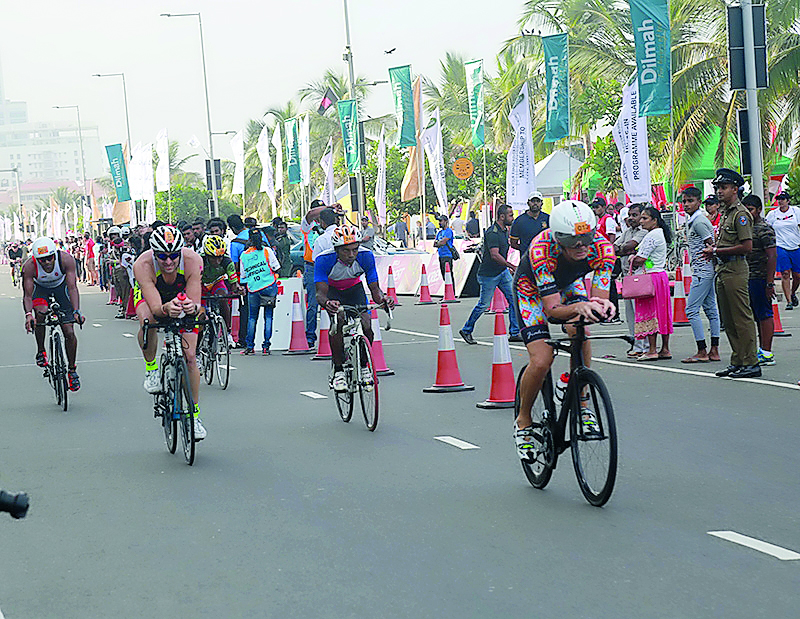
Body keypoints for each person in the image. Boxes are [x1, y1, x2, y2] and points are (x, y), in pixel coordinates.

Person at [512, 200, 616, 460]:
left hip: (569, 286)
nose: (581, 245)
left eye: (586, 236)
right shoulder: (542, 250)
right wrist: (580, 306)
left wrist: (601, 307)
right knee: (542, 359)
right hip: (532, 292)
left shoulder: (603, 249)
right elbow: (552, 311)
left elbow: (599, 298)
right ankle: (523, 421)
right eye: (572, 240)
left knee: (582, 331)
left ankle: (580, 398)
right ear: (558, 238)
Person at [132, 225, 207, 440]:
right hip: (152, 295)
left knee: (190, 357)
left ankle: (194, 416)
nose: (168, 262)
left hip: (180, 293)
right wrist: (165, 309)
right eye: (162, 256)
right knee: (148, 320)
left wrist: (192, 309)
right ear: (154, 254)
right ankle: (151, 369)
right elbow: (156, 308)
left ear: (181, 253)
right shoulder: (142, 265)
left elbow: (194, 303)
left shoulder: (193, 261)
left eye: (174, 256)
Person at [315, 226, 394, 392]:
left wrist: (383, 300)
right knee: (338, 324)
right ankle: (338, 371)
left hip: (354, 290)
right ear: (336, 249)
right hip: (333, 292)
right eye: (346, 251)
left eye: (354, 249)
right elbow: (320, 294)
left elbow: (375, 290)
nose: (351, 255)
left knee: (367, 327)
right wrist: (328, 303)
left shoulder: (365, 255)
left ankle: (365, 367)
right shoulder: (324, 259)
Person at [702, 168, 760, 379]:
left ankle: (751, 361)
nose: (719, 191)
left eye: (723, 187)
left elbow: (747, 246)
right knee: (728, 318)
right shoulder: (726, 212)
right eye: (717, 187)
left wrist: (716, 251)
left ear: (735, 189)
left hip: (736, 268)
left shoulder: (740, 214)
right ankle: (738, 360)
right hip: (723, 268)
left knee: (741, 318)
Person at [22, 236, 85, 391]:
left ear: (54, 254)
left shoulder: (66, 259)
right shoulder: (29, 266)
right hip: (40, 290)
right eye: (42, 260)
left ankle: (72, 370)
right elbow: (28, 296)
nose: (47, 262)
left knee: (69, 330)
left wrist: (76, 311)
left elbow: (72, 288)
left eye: (49, 258)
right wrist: (28, 315)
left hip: (61, 288)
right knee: (40, 313)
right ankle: (41, 350)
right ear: (36, 259)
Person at [459, 204, 522, 344]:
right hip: (489, 275)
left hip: (501, 272)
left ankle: (515, 332)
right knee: (483, 304)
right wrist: (511, 266)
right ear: (502, 216)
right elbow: (494, 255)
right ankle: (466, 329)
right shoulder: (493, 232)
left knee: (513, 299)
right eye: (510, 215)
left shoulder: (504, 230)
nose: (512, 217)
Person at [680, 188, 721, 364]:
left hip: (702, 271)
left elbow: (711, 244)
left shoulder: (699, 222)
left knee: (691, 310)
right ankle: (714, 350)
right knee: (711, 310)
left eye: (690, 201)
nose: (686, 204)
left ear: (698, 202)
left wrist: (710, 254)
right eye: (684, 201)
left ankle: (702, 350)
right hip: (704, 270)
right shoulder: (695, 220)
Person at [631, 206, 674, 361]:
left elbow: (641, 258)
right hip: (660, 276)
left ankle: (651, 349)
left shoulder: (651, 235)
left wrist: (632, 258)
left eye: (644, 218)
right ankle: (665, 348)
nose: (641, 221)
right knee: (662, 312)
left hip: (650, 277)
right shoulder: (659, 233)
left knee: (650, 313)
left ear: (654, 220)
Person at [743, 194, 777, 366]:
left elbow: (772, 256)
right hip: (747, 276)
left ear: (758, 210)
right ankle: (761, 348)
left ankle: (767, 351)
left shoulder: (764, 228)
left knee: (764, 314)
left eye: (750, 210)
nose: (748, 213)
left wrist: (770, 283)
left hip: (760, 277)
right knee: (755, 315)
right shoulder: (746, 227)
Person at [238, 228, 282, 356]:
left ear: (249, 239)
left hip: (253, 288)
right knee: (268, 316)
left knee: (252, 318)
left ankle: (250, 346)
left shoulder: (244, 255)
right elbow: (276, 267)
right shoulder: (267, 251)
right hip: (269, 286)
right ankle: (266, 347)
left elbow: (243, 277)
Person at [613, 203, 648, 357]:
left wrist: (623, 250)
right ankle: (636, 343)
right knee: (630, 313)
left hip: (639, 277)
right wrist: (623, 250)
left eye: (635, 215)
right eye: (630, 215)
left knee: (639, 312)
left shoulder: (643, 232)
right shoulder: (628, 231)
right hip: (627, 277)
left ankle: (644, 345)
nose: (631, 218)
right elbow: (615, 246)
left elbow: (630, 246)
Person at [201, 234, 239, 345]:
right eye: (214, 257)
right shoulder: (199, 260)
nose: (217, 261)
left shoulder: (227, 262)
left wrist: (238, 289)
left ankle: (227, 332)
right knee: (200, 313)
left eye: (220, 257)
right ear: (207, 255)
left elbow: (233, 283)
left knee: (223, 297)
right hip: (201, 284)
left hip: (216, 282)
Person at [765, 191, 800, 311]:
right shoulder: (773, 214)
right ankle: (789, 301)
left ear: (788, 201)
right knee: (785, 273)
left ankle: (792, 292)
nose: (781, 201)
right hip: (780, 246)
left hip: (795, 245)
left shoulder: (795, 211)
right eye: (779, 199)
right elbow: (767, 228)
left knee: (797, 275)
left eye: (783, 199)